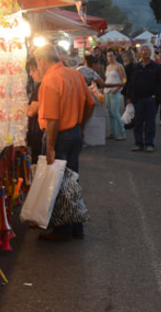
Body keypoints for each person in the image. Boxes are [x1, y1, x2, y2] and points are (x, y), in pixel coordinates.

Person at [34, 44, 96, 241]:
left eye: (38, 63)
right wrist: (81, 126)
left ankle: (62, 231)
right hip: (74, 133)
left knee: (58, 183)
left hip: (59, 137)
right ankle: (76, 226)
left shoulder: (50, 80)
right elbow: (91, 103)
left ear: (42, 61)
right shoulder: (74, 75)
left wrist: (50, 148)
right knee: (71, 181)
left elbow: (52, 119)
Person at [130, 46, 161, 152]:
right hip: (138, 99)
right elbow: (131, 82)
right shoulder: (136, 67)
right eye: (143, 50)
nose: (145, 52)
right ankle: (138, 143)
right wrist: (130, 97)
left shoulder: (156, 66)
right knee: (138, 122)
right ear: (140, 53)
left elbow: (160, 83)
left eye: (147, 50)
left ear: (151, 52)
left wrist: (156, 96)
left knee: (150, 122)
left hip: (151, 99)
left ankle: (149, 143)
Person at [104, 50, 127, 141]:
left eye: (111, 56)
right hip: (107, 92)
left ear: (115, 56)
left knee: (115, 113)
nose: (110, 58)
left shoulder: (119, 66)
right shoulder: (108, 67)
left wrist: (117, 89)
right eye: (108, 56)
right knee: (110, 113)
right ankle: (112, 132)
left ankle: (122, 132)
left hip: (115, 92)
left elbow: (124, 80)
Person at [26, 58, 45, 163]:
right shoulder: (41, 85)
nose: (31, 74)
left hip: (39, 133)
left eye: (33, 70)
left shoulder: (42, 86)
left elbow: (31, 111)